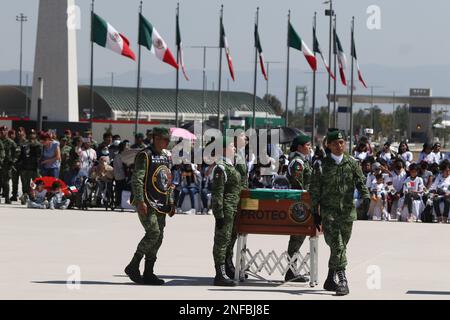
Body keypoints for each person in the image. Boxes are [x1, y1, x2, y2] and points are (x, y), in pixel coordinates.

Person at [310, 130, 370, 296]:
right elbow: (314, 191)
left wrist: (365, 197)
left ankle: (330, 278)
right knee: (338, 245)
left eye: (342, 142)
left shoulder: (352, 163)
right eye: (335, 143)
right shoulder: (321, 165)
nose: (339, 145)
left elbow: (360, 182)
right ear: (328, 145)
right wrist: (315, 212)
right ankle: (342, 280)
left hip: (347, 213)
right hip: (329, 213)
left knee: (341, 246)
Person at [125, 127, 175, 285]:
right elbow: (137, 179)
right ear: (155, 138)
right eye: (164, 140)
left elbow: (167, 181)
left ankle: (148, 272)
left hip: (161, 202)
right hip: (147, 201)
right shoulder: (145, 155)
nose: (167, 143)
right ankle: (133, 265)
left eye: (168, 140)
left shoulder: (166, 156)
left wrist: (171, 201)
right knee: (153, 232)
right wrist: (140, 201)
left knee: (159, 237)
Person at [210, 136, 241, 287]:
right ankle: (219, 274)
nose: (234, 148)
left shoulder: (230, 165)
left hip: (233, 209)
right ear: (223, 149)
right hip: (226, 210)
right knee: (222, 242)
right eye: (231, 146)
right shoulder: (221, 167)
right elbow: (217, 193)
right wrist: (219, 215)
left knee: (230, 240)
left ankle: (227, 268)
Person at [284, 133, 312, 283]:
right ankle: (290, 271)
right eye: (307, 145)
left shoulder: (302, 161)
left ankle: (291, 270)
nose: (310, 147)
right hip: (299, 206)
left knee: (298, 238)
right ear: (300, 147)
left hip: (302, 205)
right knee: (296, 237)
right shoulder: (298, 163)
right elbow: (298, 185)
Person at [0, 126, 16, 203]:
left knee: (6, 182)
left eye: (5, 130)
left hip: (7, 165)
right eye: (2, 130)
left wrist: (13, 161)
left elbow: (17, 152)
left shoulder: (11, 142)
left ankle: (7, 198)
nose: (3, 132)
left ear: (7, 132)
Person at [11, 127, 27, 202]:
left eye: (20, 131)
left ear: (24, 132)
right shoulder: (15, 142)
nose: (19, 133)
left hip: (23, 165)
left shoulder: (27, 143)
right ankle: (14, 195)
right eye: (18, 131)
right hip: (15, 165)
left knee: (24, 182)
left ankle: (24, 196)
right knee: (14, 181)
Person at [113, 140, 130, 207]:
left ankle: (120, 202)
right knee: (120, 189)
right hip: (121, 175)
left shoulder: (119, 155)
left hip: (119, 175)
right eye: (126, 146)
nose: (127, 147)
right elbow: (122, 166)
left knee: (119, 189)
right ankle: (119, 203)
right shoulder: (119, 156)